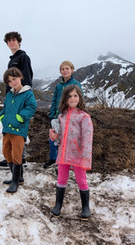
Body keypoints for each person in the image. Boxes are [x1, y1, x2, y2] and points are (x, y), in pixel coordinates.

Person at [49, 85, 93, 220]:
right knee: (61, 179)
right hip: (63, 153)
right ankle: (58, 205)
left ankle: (86, 207)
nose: (72, 98)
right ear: (65, 99)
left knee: (81, 180)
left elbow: (88, 137)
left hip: (78, 155)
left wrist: (85, 156)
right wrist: (54, 136)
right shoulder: (61, 116)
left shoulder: (84, 117)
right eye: (69, 96)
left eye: (75, 95)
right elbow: (60, 135)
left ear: (79, 98)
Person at [0, 31, 34, 169]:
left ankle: (20, 159)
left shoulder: (23, 57)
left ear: (19, 42)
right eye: (9, 41)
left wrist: (26, 93)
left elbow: (27, 77)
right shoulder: (12, 60)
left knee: (19, 127)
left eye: (14, 40)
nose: (11, 42)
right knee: (11, 127)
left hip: (20, 96)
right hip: (12, 96)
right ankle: (11, 158)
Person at [0, 67, 37, 193]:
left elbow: (32, 107)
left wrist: (20, 117)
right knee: (6, 152)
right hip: (7, 129)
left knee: (16, 155)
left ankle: (15, 181)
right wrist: (2, 116)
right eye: (9, 81)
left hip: (19, 130)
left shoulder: (28, 93)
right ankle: (18, 177)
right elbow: (4, 108)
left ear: (20, 77)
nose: (12, 83)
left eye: (14, 79)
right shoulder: (9, 94)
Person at [43, 61, 82, 168]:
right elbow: (55, 100)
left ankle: (65, 163)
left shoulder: (76, 84)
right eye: (63, 69)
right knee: (53, 137)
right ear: (60, 71)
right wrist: (52, 114)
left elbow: (79, 100)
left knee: (66, 140)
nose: (65, 71)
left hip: (69, 117)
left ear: (72, 70)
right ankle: (53, 159)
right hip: (56, 116)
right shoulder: (59, 86)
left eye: (67, 68)